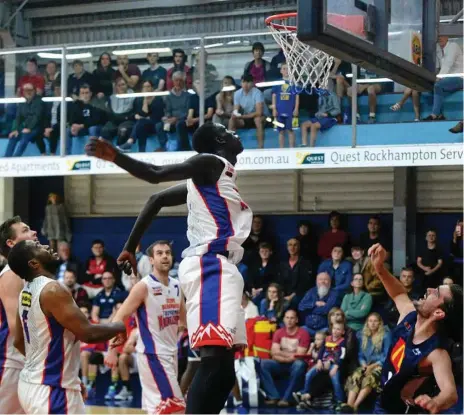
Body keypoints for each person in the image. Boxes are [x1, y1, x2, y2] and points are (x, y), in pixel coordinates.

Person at [85, 121, 252, 414]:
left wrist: (129, 246)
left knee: (225, 370)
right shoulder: (209, 162)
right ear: (218, 139)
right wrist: (117, 156)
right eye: (228, 130)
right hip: (210, 264)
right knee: (213, 359)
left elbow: (157, 200)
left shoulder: (209, 178)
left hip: (223, 267)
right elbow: (155, 177)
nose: (236, 133)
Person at [9, 240, 125, 414]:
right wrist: (120, 326)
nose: (47, 246)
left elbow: (19, 342)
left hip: (35, 384)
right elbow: (88, 334)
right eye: (39, 247)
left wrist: (70, 377)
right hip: (51, 391)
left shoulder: (25, 291)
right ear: (34, 264)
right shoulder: (52, 290)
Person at [369, 243, 461, 414]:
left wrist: (436, 402)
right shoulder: (409, 315)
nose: (430, 289)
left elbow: (450, 393)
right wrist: (379, 267)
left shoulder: (436, 353)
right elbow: (398, 294)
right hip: (382, 406)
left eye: (437, 293)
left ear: (439, 312)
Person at [105, 240, 186, 414]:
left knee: (158, 409)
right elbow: (120, 317)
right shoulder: (144, 287)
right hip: (152, 355)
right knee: (176, 406)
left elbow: (184, 321)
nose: (165, 256)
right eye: (159, 253)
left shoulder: (177, 285)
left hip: (171, 354)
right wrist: (112, 349)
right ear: (150, 260)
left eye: (168, 253)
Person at [0, 216, 38, 414]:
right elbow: (16, 328)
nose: (34, 232)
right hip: (12, 362)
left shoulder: (29, 274)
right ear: (11, 242)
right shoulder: (11, 275)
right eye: (25, 230)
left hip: (26, 362)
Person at [343, 312, 391, 413]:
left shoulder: (386, 335)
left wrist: (372, 366)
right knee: (356, 375)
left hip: (379, 365)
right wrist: (364, 365)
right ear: (367, 323)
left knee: (369, 378)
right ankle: (349, 406)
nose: (372, 323)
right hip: (366, 365)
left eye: (375, 321)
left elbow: (387, 356)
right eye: (370, 321)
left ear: (379, 323)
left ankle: (355, 406)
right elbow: (360, 354)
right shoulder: (362, 335)